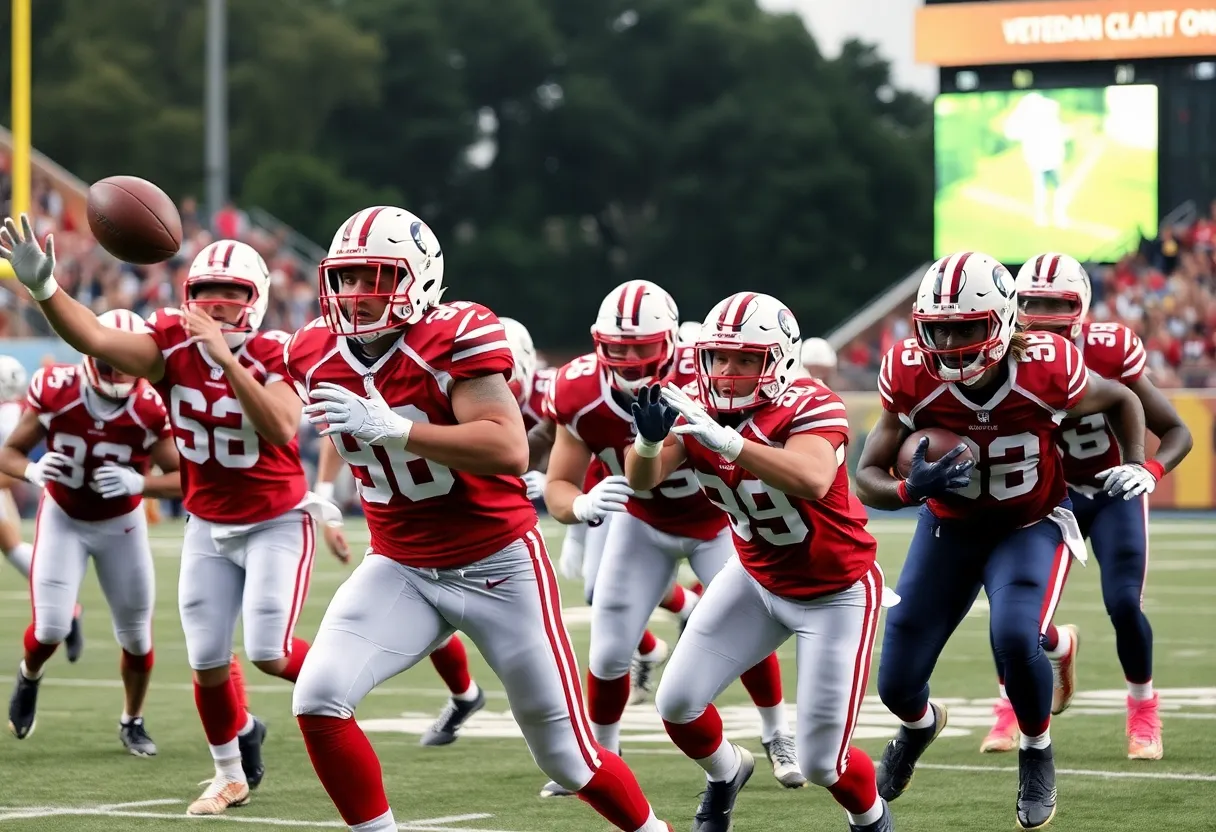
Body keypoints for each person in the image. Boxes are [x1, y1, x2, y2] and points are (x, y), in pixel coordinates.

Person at [286, 205, 673, 832]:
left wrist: (395, 427)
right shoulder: (311, 351)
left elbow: (508, 447)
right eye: (347, 277)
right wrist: (325, 486)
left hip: (496, 564)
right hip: (400, 563)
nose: (356, 294)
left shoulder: (454, 335)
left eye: (376, 277)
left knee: (568, 757)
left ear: (420, 279)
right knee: (319, 699)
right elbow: (338, 423)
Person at [0, 217, 338, 815]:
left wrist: (226, 361)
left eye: (232, 294)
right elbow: (95, 339)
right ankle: (229, 775)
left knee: (268, 651)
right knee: (206, 661)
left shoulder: (277, 352)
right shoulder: (170, 346)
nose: (217, 305)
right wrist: (45, 289)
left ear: (256, 299)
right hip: (207, 522)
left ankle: (343, 681)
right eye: (206, 294)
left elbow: (281, 427)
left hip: (276, 518)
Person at [855, 250, 1148, 830]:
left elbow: (1124, 398)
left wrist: (1136, 460)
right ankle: (919, 726)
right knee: (896, 684)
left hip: (1029, 523)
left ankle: (1036, 750)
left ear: (1004, 321)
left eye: (967, 328)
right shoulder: (910, 372)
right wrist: (909, 489)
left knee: (1015, 634)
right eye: (938, 328)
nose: (950, 343)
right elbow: (867, 475)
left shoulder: (1047, 367)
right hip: (948, 527)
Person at [623, 292, 890, 832]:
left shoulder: (811, 403)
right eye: (719, 357)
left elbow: (812, 478)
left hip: (835, 592)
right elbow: (642, 481)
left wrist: (731, 443)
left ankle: (871, 818)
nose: (727, 371)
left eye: (745, 359)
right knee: (676, 703)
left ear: (780, 360)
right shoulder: (696, 403)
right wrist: (648, 444)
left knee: (823, 764)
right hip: (756, 578)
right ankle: (727, 771)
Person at [543, 281, 798, 799]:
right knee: (609, 648)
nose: (629, 359)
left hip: (718, 520)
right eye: (617, 347)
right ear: (597, 342)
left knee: (746, 632)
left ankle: (777, 733)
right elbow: (558, 486)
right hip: (641, 520)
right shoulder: (578, 390)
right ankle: (600, 758)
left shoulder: (704, 374)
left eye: (641, 346)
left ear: (672, 341)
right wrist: (581, 507)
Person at [972, 253, 1190, 760]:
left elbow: (1176, 429)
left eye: (1056, 303)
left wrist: (1148, 470)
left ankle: (1143, 708)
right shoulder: (1000, 355)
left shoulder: (1109, 349)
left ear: (1082, 307)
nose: (1043, 316)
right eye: (1032, 303)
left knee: (1124, 602)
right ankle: (1022, 690)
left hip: (1112, 490)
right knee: (1012, 609)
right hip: (1050, 496)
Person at [2, 311, 181, 756]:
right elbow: (9, 453)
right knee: (51, 627)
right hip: (63, 515)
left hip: (122, 523)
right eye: (109, 359)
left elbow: (187, 477)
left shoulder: (150, 405)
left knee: (137, 636)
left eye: (126, 360)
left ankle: (132, 720)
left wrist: (141, 483)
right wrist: (32, 471)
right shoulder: (57, 389)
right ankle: (29, 675)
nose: (118, 371)